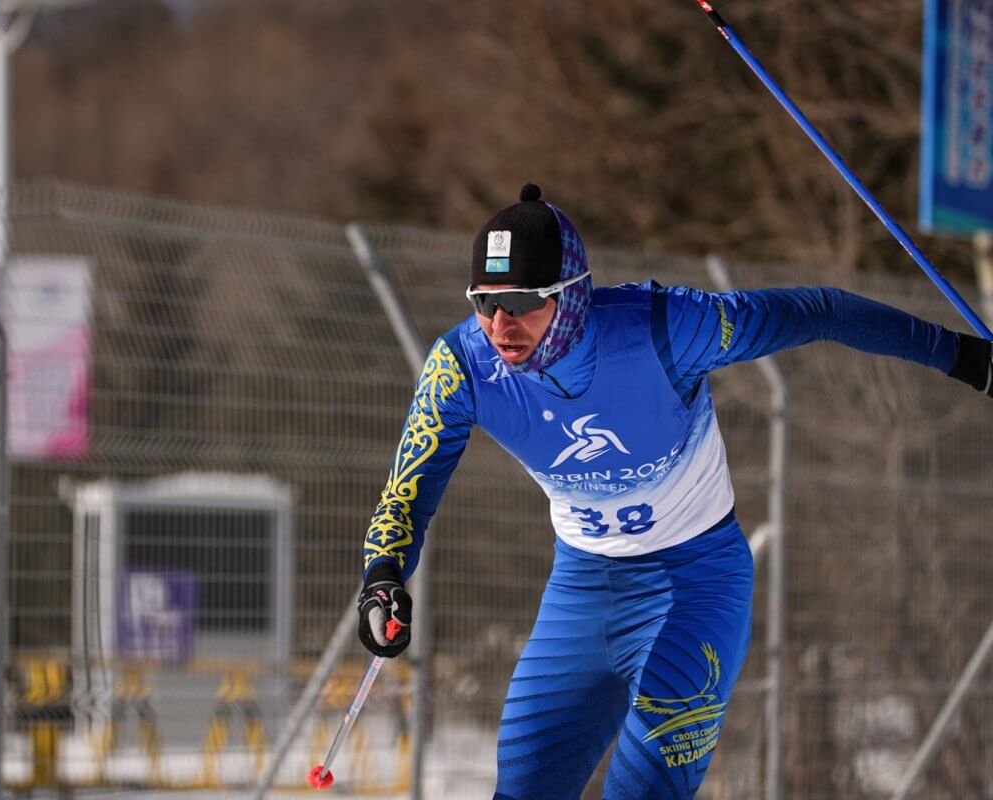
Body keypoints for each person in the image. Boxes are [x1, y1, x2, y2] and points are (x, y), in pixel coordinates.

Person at [354, 184, 993, 800]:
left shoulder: (666, 330)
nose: (499, 323)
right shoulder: (462, 365)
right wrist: (383, 576)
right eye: (484, 302)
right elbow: (410, 485)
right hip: (582, 594)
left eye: (521, 300)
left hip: (695, 583)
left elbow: (817, 311)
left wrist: (968, 359)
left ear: (571, 294)